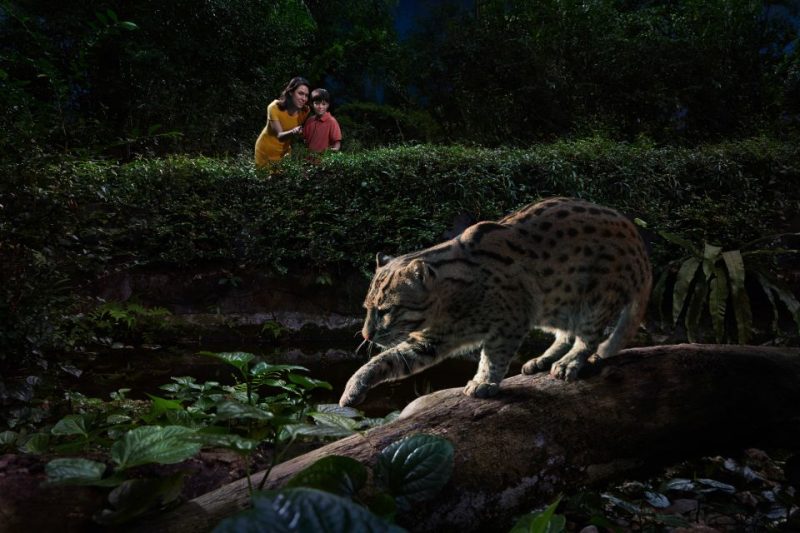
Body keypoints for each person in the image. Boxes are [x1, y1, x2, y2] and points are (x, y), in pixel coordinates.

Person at [254, 77, 310, 166]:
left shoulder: (305, 111)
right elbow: (280, 136)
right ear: (291, 92)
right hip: (265, 151)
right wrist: (293, 131)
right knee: (266, 179)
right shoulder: (274, 107)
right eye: (300, 93)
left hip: (284, 152)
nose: (304, 98)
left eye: (306, 95)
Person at [302, 88, 342, 154]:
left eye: (323, 104)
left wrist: (333, 152)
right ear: (312, 104)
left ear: (328, 105)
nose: (320, 107)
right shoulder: (309, 120)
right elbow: (304, 140)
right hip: (307, 161)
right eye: (317, 104)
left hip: (324, 162)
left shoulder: (332, 121)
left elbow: (337, 143)